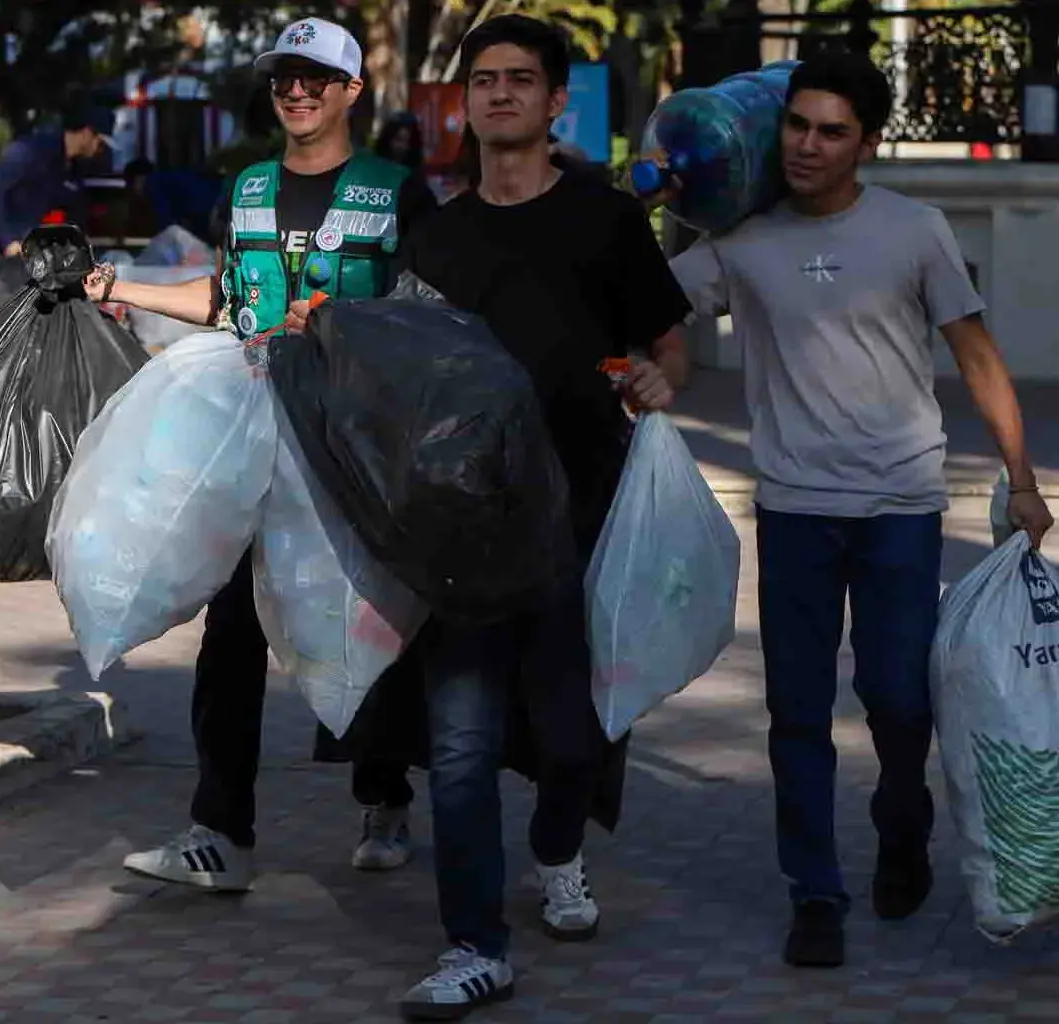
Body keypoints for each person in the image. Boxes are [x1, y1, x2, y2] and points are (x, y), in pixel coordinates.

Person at [652, 55, 1056, 969]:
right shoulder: (739, 240)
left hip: (900, 507)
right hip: (794, 510)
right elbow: (649, 304)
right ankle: (816, 894)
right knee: (796, 712)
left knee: (900, 699)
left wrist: (1021, 475)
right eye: (797, 125)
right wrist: (653, 203)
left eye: (832, 131)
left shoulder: (915, 231)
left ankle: (903, 821)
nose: (807, 145)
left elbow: (978, 355)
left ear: (868, 143)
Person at [86, 16, 438, 894]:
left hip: (355, 446)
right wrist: (117, 286)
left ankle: (384, 792)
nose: (297, 91)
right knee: (232, 635)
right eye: (284, 77)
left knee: (368, 625)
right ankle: (219, 830)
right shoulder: (243, 187)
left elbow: (428, 310)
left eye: (316, 78)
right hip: (254, 441)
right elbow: (225, 294)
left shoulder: (397, 192)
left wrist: (343, 331)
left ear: (353, 90)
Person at [389, 15, 691, 1020]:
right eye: (484, 80)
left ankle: (559, 850)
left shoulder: (605, 222)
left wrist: (656, 375)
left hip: (586, 512)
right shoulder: (435, 236)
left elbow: (670, 344)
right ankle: (475, 944)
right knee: (464, 742)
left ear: (558, 100)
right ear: (463, 100)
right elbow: (403, 373)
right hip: (465, 526)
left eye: (522, 79)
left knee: (577, 728)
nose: (501, 94)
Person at [0, 105, 114, 258]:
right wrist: (8, 241)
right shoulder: (29, 152)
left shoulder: (72, 168)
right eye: (100, 143)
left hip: (29, 253)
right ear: (87, 134)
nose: (100, 151)